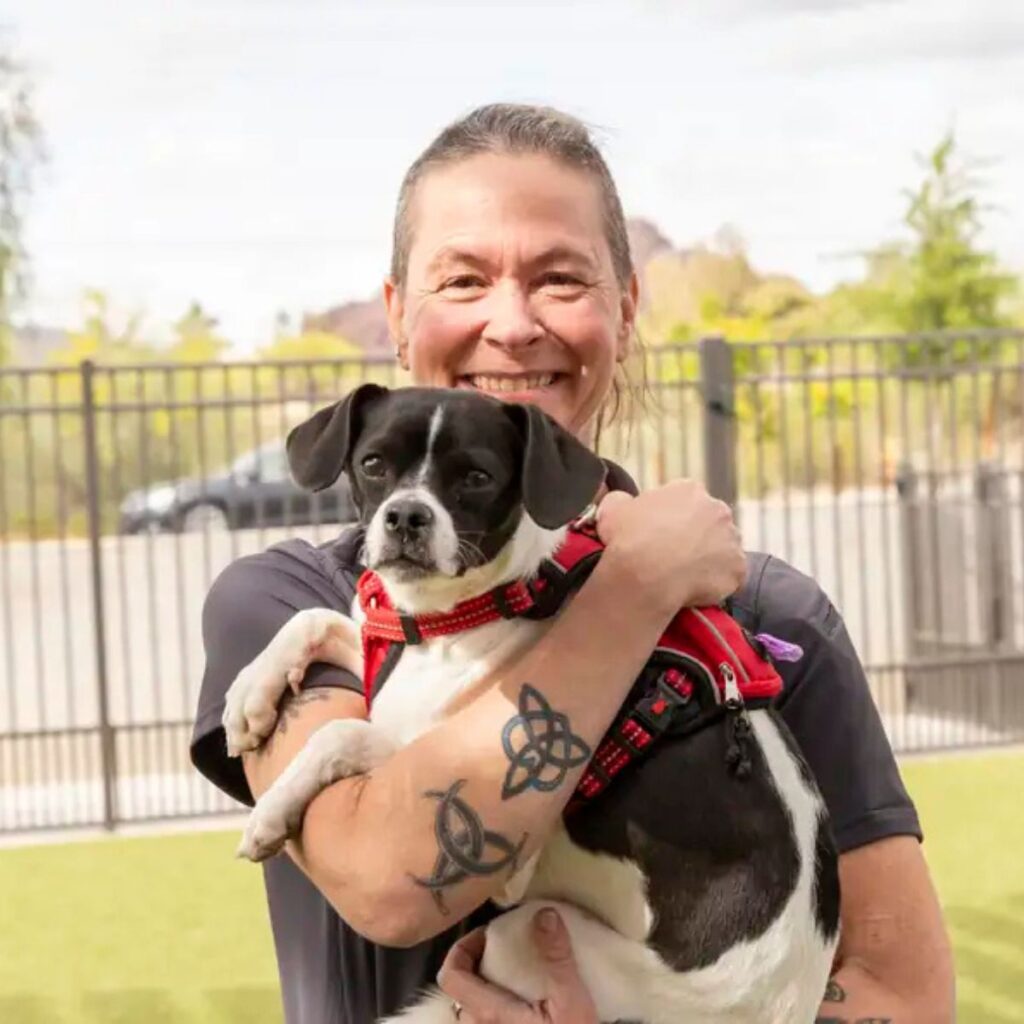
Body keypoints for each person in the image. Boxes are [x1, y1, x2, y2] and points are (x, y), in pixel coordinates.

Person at [191, 104, 954, 1024]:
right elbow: (389, 880)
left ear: (625, 311)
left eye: (560, 279)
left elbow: (905, 1000)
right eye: (463, 278)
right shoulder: (285, 602)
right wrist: (634, 587)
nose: (512, 325)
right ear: (397, 313)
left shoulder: (764, 620)